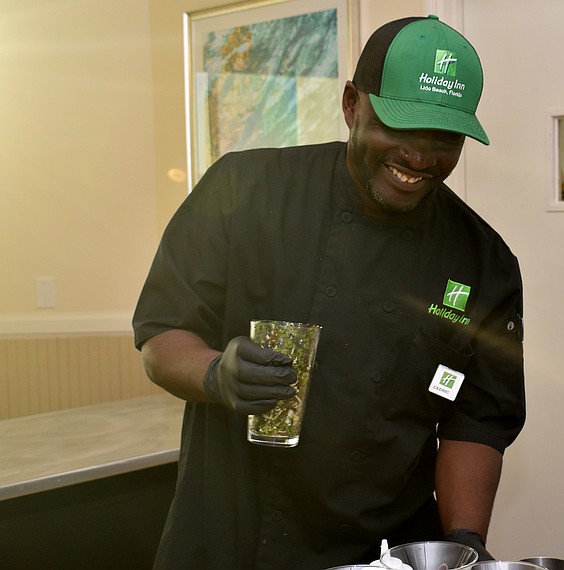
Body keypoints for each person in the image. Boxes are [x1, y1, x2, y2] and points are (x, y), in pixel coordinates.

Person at [133, 15, 525, 570]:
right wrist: (215, 373)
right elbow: (160, 334)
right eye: (399, 126)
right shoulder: (242, 191)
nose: (419, 156)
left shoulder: (484, 261)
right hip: (232, 534)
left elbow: (477, 422)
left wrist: (462, 543)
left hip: (385, 551)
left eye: (443, 137)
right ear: (351, 106)